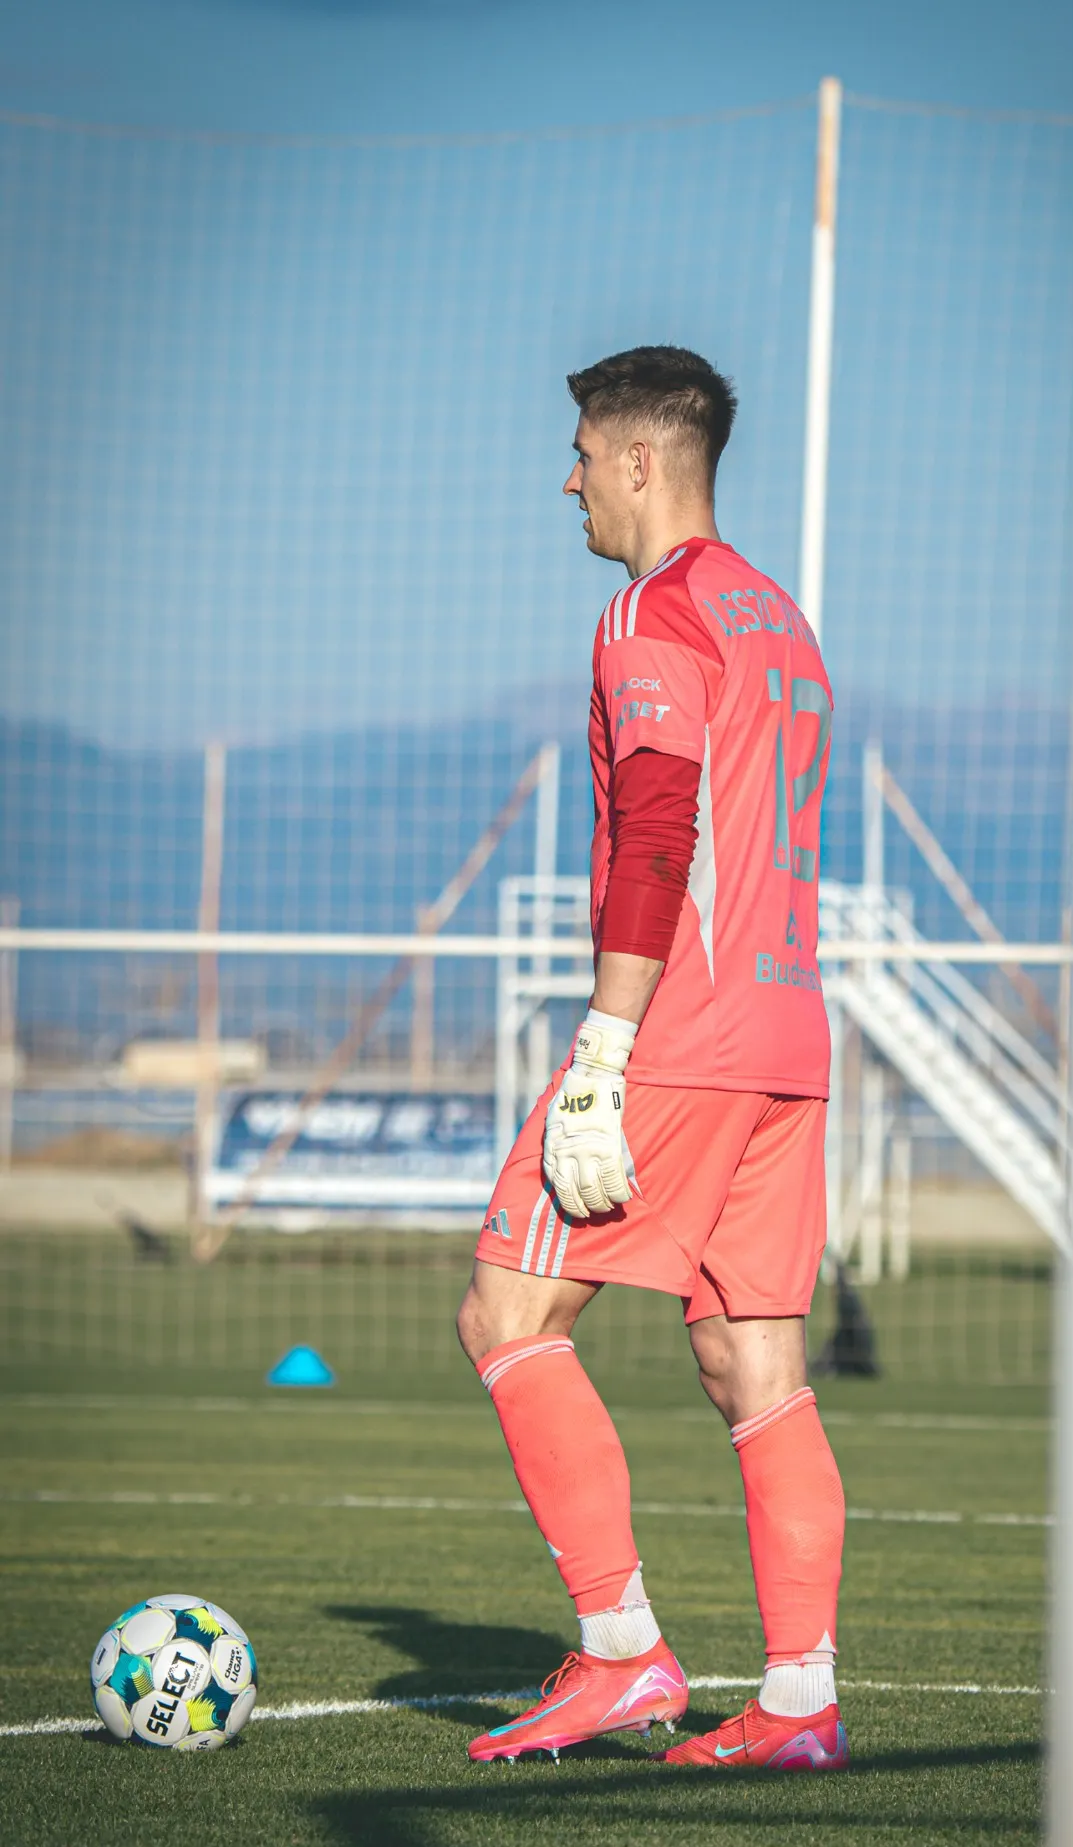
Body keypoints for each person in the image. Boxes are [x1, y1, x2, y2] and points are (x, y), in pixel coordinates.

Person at [457, 344, 846, 1772]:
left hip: (681, 1031)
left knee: (508, 1313)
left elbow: (662, 830)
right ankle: (798, 1703)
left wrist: (604, 1051)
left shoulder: (651, 610)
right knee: (755, 1361)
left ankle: (622, 1651)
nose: (567, 480)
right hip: (790, 1033)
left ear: (637, 458)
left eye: (579, 454)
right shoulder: (781, 615)